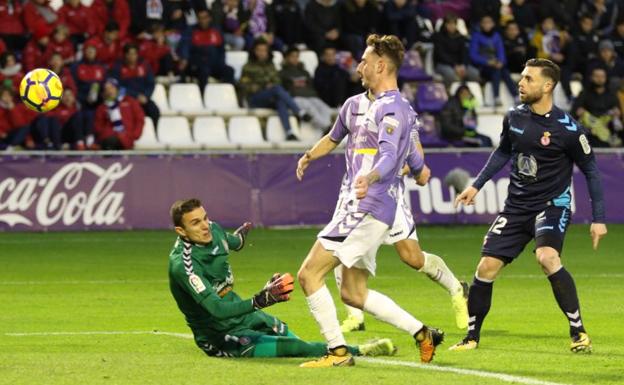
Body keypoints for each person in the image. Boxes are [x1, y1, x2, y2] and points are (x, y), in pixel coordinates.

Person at [296, 34, 444, 368]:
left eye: (364, 60)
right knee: (352, 293)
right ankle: (423, 334)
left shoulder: (390, 108)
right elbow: (410, 159)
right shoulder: (372, 106)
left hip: (365, 206)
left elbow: (391, 155)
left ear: (380, 65)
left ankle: (337, 353)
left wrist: (371, 177)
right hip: (372, 208)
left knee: (308, 275)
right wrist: (308, 156)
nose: (359, 65)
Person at [450, 58, 608, 353]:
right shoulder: (514, 117)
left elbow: (592, 171)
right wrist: (476, 184)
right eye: (521, 77)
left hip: (552, 205)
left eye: (528, 79)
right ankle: (471, 337)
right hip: (516, 207)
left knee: (547, 257)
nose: (521, 83)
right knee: (485, 268)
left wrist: (598, 218)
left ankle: (579, 332)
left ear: (547, 86)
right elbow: (502, 153)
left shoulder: (570, 129)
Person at [167, 198, 397, 359]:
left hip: (242, 316)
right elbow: (216, 309)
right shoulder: (184, 266)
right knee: (292, 346)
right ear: (181, 231)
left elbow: (233, 242)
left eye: (205, 218)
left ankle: (311, 349)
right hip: (219, 335)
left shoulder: (214, 230)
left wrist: (241, 236)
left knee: (281, 329)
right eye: (195, 223)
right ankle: (359, 350)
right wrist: (260, 300)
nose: (205, 226)